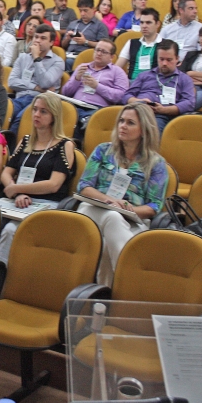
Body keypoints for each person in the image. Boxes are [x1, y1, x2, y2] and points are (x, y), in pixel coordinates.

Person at [76, 102, 168, 286]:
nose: (123, 126)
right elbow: (84, 186)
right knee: (112, 216)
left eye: (130, 123)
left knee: (107, 243)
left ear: (143, 130)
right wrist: (109, 200)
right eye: (121, 121)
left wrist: (130, 208)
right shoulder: (103, 151)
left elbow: (154, 205)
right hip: (94, 209)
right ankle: (131, 282)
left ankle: (104, 296)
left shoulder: (156, 163)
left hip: (133, 218)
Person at [0, 93, 75, 264]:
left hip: (46, 202)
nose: (37, 115)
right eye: (35, 110)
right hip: (19, 199)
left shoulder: (64, 145)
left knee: (10, 230)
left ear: (54, 116)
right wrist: (17, 193)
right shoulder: (25, 141)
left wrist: (17, 189)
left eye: (43, 112)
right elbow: (6, 173)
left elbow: (54, 185)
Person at [122, 39, 195, 132]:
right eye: (161, 59)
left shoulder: (184, 79)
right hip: (138, 111)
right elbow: (126, 96)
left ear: (177, 58)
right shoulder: (144, 75)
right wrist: (139, 101)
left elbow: (189, 103)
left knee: (153, 128)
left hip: (161, 116)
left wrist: (164, 110)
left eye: (169, 60)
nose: (164, 63)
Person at [62, 39, 129, 139]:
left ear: (112, 57)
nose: (99, 53)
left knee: (79, 119)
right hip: (74, 105)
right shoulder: (82, 67)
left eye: (103, 52)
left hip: (97, 109)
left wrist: (97, 86)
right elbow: (65, 92)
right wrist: (76, 79)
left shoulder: (117, 72)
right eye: (97, 50)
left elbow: (120, 96)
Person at [8, 24, 64, 133]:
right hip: (19, 98)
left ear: (51, 42)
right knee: (2, 113)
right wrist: (35, 87)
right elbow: (12, 82)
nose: (38, 41)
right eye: (36, 37)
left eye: (43, 38)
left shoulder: (58, 62)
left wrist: (36, 58)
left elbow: (45, 83)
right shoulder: (23, 57)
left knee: (19, 121)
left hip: (40, 103)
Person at [61, 0, 110, 71]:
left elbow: (104, 46)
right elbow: (63, 45)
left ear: (93, 9)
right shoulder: (73, 24)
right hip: (69, 54)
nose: (82, 14)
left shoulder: (100, 26)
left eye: (85, 10)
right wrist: (67, 39)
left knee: (68, 62)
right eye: (80, 11)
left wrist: (86, 42)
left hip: (86, 56)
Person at [115, 8, 162, 81]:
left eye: (148, 23)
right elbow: (117, 68)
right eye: (142, 22)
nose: (144, 26)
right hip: (131, 84)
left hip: (153, 85)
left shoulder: (164, 45)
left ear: (157, 24)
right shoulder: (131, 43)